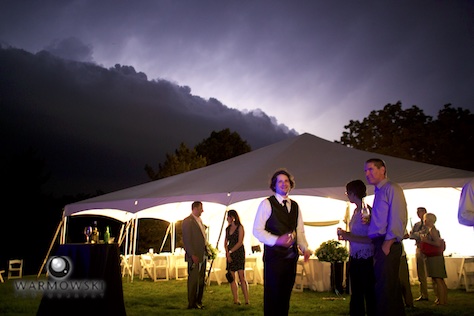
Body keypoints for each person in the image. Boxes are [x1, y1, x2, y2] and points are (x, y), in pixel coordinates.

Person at [253, 168, 312, 316]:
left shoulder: (295, 206)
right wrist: (277, 240)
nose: (284, 184)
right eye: (280, 181)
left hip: (291, 258)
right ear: (274, 185)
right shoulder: (266, 204)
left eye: (286, 181)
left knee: (285, 297)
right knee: (273, 297)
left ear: (290, 184)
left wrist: (305, 248)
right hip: (274, 259)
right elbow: (257, 230)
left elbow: (300, 231)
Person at [364, 158, 407, 316]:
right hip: (379, 242)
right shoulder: (379, 191)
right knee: (388, 287)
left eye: (371, 169)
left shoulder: (392, 188)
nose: (367, 174)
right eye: (366, 171)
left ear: (382, 170)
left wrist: (388, 243)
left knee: (385, 288)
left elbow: (398, 217)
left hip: (387, 242)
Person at [337, 179, 376, 316]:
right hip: (355, 255)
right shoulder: (355, 211)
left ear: (353, 193)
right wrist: (345, 234)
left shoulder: (367, 212)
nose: (347, 195)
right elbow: (355, 234)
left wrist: (349, 237)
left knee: (368, 291)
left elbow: (372, 238)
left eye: (347, 192)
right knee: (356, 291)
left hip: (366, 257)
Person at [182, 201, 207, 309]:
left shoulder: (200, 220)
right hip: (195, 255)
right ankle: (192, 303)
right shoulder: (188, 221)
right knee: (193, 280)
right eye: (201, 208)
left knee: (201, 279)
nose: (202, 210)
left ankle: (199, 301)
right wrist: (192, 254)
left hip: (203, 254)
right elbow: (187, 240)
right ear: (195, 208)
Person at [421, 212, 448, 305]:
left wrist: (425, 240)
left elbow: (437, 243)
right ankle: (442, 299)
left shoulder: (433, 230)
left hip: (435, 257)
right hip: (436, 257)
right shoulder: (431, 230)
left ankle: (442, 301)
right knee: (438, 279)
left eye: (425, 219)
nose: (424, 221)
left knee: (438, 279)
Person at [224, 209, 250, 305]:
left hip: (238, 252)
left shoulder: (240, 227)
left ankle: (247, 299)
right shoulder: (227, 229)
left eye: (229, 217)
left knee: (241, 276)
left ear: (233, 217)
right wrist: (227, 253)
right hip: (230, 253)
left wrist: (230, 251)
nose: (227, 219)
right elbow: (225, 242)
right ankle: (236, 299)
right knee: (232, 277)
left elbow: (240, 242)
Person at [409, 207, 429, 301]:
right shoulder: (417, 224)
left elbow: (424, 234)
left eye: (420, 212)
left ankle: (437, 294)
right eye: (417, 212)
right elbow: (412, 236)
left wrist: (416, 234)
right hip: (419, 248)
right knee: (420, 271)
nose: (418, 214)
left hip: (428, 248)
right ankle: (424, 294)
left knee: (431, 271)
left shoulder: (428, 224)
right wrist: (416, 234)